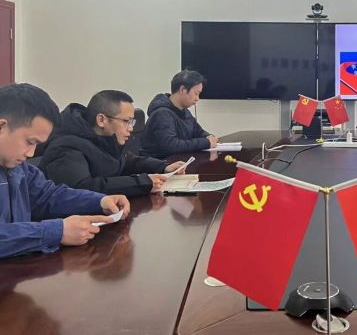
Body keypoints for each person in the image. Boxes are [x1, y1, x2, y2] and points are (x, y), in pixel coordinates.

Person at [0, 83, 130, 259]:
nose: (31, 153)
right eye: (30, 142)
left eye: (37, 144)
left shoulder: (19, 168)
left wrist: (99, 201)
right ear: (2, 127)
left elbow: (48, 196)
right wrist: (56, 232)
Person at [39, 90, 188, 197]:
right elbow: (83, 187)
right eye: (126, 121)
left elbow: (125, 161)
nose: (131, 128)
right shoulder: (66, 146)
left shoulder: (105, 137)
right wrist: (142, 182)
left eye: (132, 122)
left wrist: (163, 167)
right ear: (101, 120)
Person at [140, 69, 218, 158]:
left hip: (179, 161)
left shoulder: (184, 111)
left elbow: (198, 132)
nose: (197, 99)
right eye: (196, 93)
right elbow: (171, 146)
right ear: (182, 90)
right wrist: (206, 143)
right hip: (161, 163)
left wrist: (209, 136)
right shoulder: (161, 114)